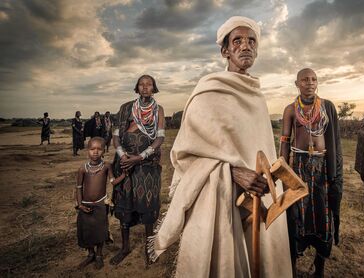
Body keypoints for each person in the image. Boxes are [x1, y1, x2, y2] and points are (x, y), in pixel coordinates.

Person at [148, 16, 292, 277]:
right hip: (220, 199)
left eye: (251, 41)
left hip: (259, 197)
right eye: (237, 40)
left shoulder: (257, 96)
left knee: (261, 258)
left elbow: (259, 147)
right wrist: (234, 173)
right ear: (225, 51)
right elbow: (186, 154)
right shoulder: (208, 92)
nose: (245, 46)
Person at [280, 68, 343, 277]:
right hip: (298, 166)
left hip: (322, 166)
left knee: (323, 214)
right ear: (296, 83)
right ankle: (292, 267)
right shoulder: (290, 110)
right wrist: (283, 170)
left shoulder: (326, 107)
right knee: (297, 214)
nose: (310, 82)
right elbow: (285, 142)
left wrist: (334, 170)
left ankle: (320, 267)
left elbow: (334, 140)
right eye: (305, 79)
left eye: (313, 79)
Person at [110, 74, 165, 265]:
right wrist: (122, 155)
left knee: (148, 207)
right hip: (124, 164)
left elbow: (159, 139)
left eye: (149, 84)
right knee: (124, 206)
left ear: (154, 88)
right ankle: (125, 248)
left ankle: (149, 249)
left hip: (146, 166)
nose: (145, 87)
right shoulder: (126, 108)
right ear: (137, 88)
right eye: (141, 84)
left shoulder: (158, 110)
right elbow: (116, 135)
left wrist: (140, 157)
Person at [75, 137, 125, 269]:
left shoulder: (106, 166)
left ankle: (98, 255)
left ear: (104, 151)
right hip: (85, 204)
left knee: (100, 231)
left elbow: (113, 182)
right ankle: (90, 254)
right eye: (92, 149)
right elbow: (79, 187)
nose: (95, 152)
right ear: (88, 151)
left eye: (99, 149)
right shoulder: (83, 169)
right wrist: (80, 205)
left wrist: (124, 175)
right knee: (87, 231)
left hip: (100, 204)